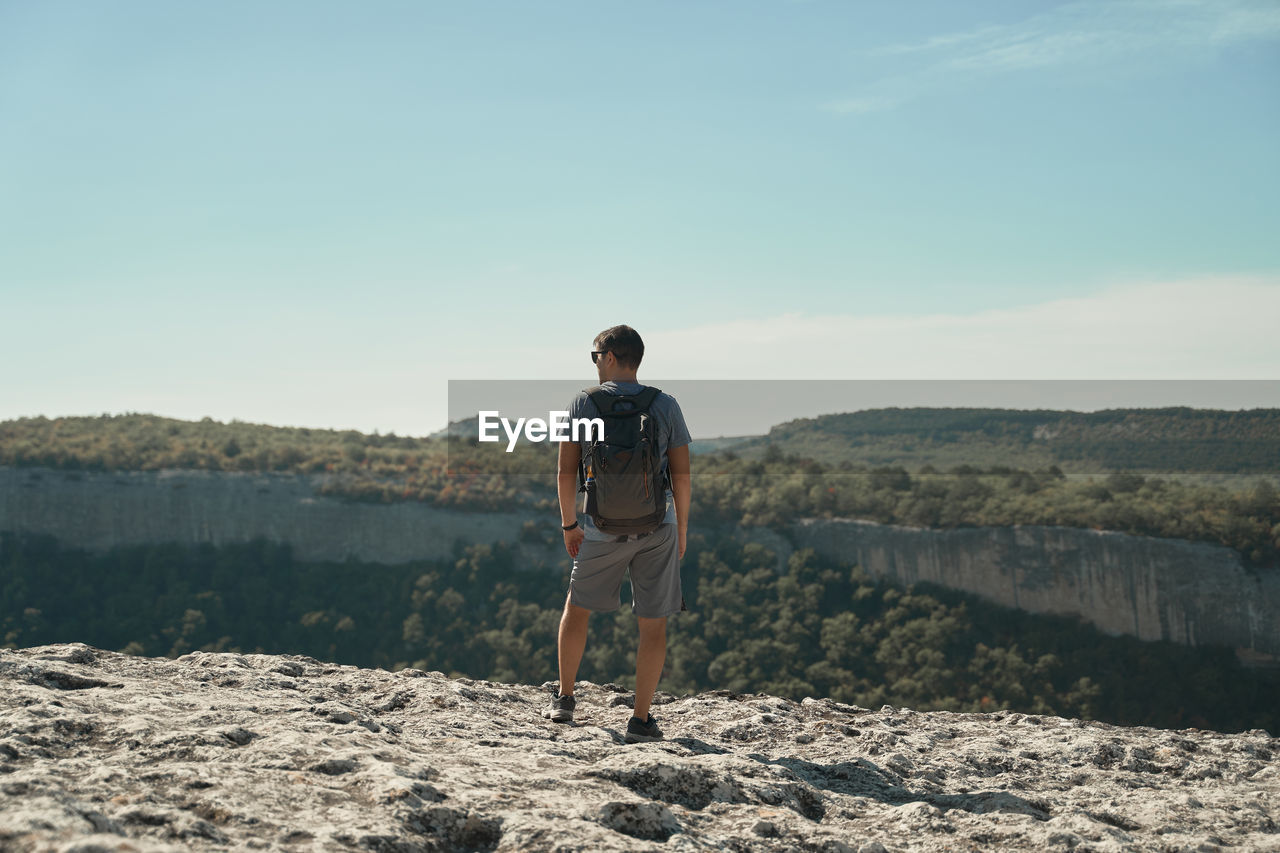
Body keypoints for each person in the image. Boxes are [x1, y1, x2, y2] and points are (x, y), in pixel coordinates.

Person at [543, 325, 691, 744]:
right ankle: (640, 720)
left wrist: (569, 523)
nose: (594, 363)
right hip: (655, 527)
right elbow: (681, 476)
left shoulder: (582, 402)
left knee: (578, 608)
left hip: (600, 528)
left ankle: (565, 700)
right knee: (653, 624)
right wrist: (680, 530)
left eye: (595, 356)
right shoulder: (666, 405)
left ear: (608, 358)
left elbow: (564, 469)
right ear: (636, 359)